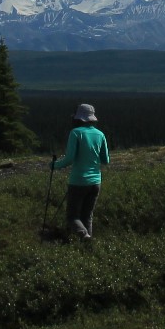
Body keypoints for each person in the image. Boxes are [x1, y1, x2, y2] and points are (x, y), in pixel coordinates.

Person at [51, 102, 109, 240]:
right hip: (96, 181)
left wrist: (54, 165)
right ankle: (87, 245)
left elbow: (70, 158)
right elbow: (106, 160)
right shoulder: (100, 134)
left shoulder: (76, 133)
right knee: (87, 216)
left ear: (79, 118)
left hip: (78, 181)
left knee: (72, 216)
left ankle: (84, 236)